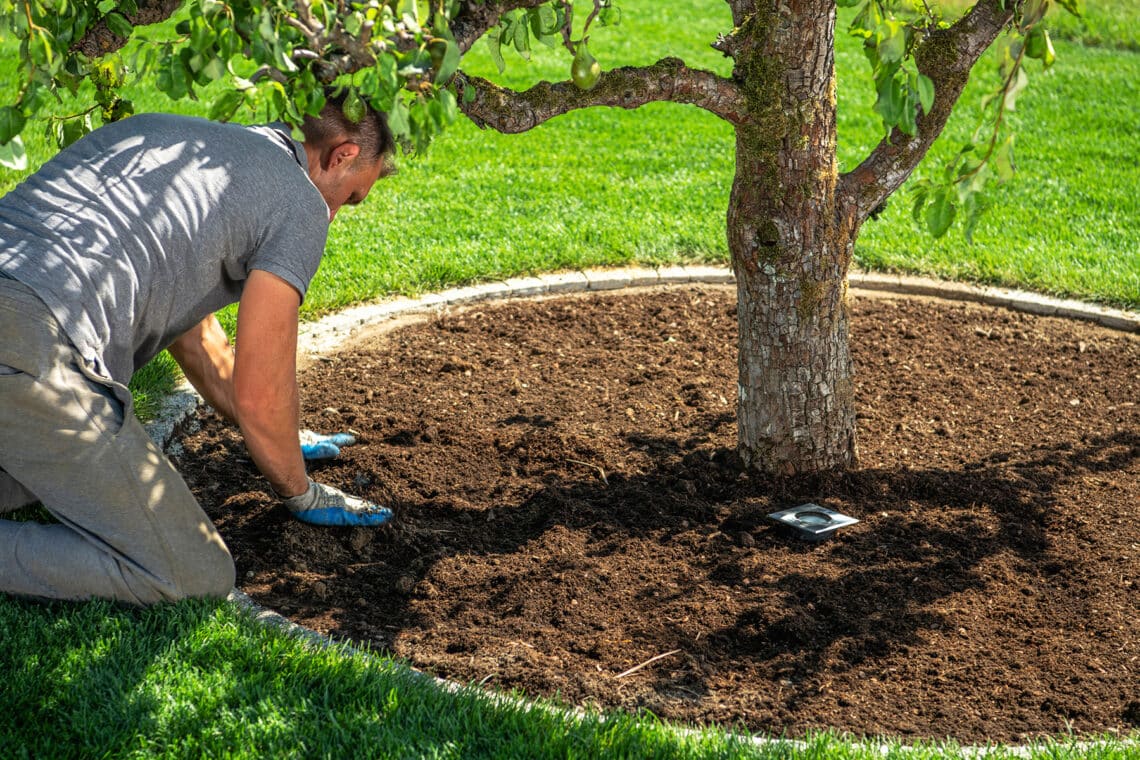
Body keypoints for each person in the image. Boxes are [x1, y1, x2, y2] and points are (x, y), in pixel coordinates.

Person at [0, 91, 396, 605]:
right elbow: (261, 391)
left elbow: (199, 339)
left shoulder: (183, 141)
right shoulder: (300, 202)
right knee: (190, 572)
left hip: (20, 310)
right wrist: (301, 491)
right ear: (341, 154)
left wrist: (284, 436)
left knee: (37, 482)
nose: (336, 214)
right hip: (33, 339)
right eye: (350, 197)